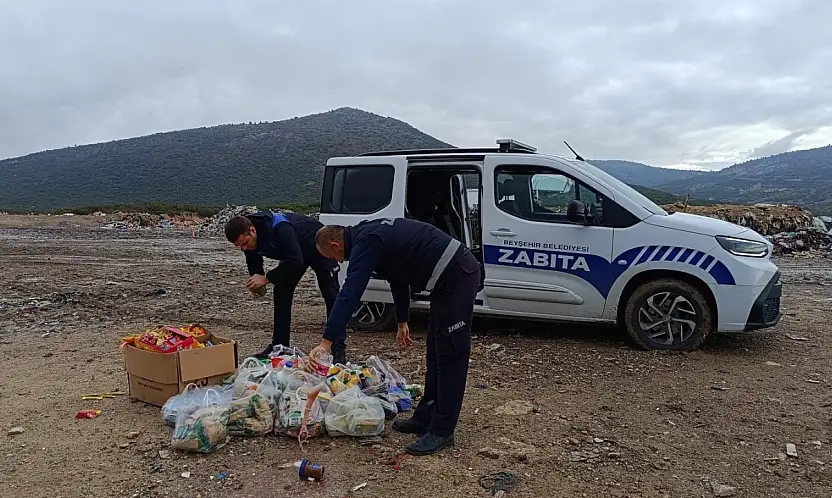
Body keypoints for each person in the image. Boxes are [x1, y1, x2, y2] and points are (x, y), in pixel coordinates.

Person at [309, 218, 481, 456]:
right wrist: (402, 320)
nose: (335, 262)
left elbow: (350, 293)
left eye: (331, 257)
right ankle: (425, 416)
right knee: (435, 350)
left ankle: (442, 431)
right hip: (445, 279)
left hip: (458, 273)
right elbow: (397, 275)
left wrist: (326, 342)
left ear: (336, 246)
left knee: (451, 353)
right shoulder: (368, 236)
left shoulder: (366, 242)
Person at [224, 211, 346, 364]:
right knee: (281, 290)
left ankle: (338, 349)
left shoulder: (280, 228)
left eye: (244, 243)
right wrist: (257, 284)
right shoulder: (249, 241)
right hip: (294, 253)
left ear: (252, 230)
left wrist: (267, 278)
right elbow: (254, 263)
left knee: (331, 295)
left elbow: (295, 261)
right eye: (239, 246)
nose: (243, 248)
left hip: (316, 246)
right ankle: (280, 346)